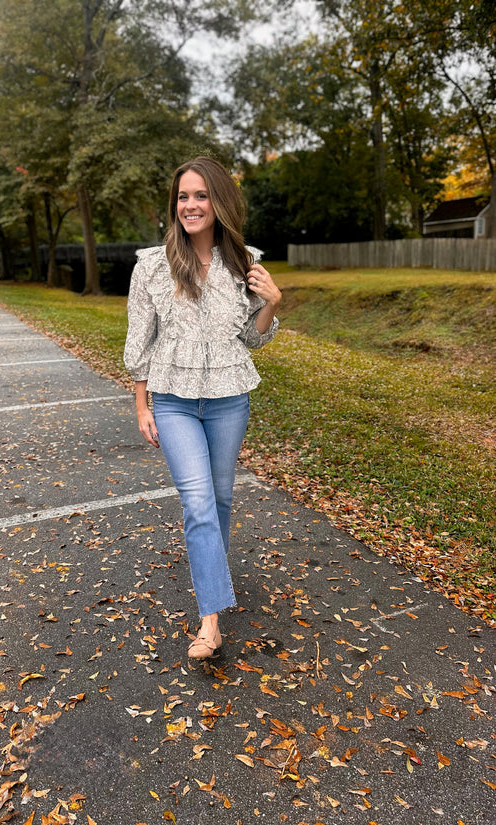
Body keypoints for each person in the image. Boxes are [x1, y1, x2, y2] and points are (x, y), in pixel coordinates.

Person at [124, 156, 281, 660]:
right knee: (197, 503)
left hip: (229, 399)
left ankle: (211, 582)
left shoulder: (246, 263)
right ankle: (209, 622)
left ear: (220, 202)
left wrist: (272, 304)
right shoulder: (151, 265)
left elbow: (250, 341)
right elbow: (138, 342)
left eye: (201, 196)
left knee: (220, 500)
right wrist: (141, 403)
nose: (190, 205)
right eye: (183, 196)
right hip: (172, 400)